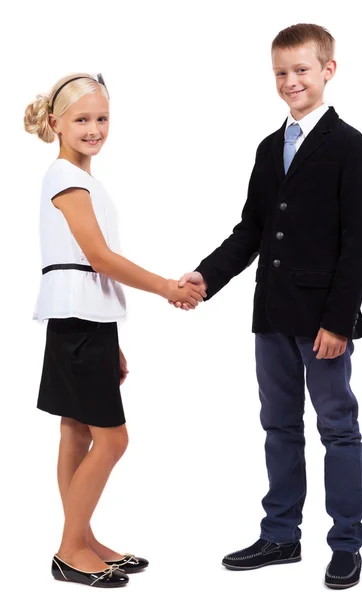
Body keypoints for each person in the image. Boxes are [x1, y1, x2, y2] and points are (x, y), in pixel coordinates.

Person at [171, 24, 362, 589]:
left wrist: (338, 321)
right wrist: (206, 277)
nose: (291, 82)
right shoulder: (269, 147)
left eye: (302, 70)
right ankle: (281, 534)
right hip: (272, 316)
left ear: (328, 70)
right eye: (281, 73)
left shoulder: (347, 145)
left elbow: (359, 240)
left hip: (321, 323)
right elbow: (252, 231)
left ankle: (346, 543)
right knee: (279, 426)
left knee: (337, 427)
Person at [24, 72, 206, 588]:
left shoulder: (82, 179)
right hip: (77, 322)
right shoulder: (66, 178)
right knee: (112, 440)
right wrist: (168, 286)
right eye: (82, 119)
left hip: (83, 322)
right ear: (57, 124)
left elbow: (83, 267)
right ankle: (68, 550)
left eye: (102, 118)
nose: (94, 128)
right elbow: (98, 258)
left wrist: (112, 339)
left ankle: (82, 539)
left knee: (78, 431)